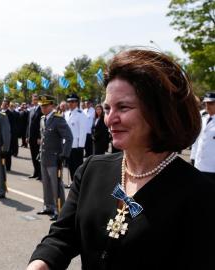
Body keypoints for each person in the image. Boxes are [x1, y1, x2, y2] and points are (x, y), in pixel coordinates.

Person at [27, 49, 215, 270]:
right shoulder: (91, 171)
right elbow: (62, 236)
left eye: (123, 107)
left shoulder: (199, 193)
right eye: (107, 108)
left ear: (159, 112)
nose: (110, 119)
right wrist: (41, 264)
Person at [37, 95, 73, 221]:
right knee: (46, 184)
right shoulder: (43, 119)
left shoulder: (58, 119)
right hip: (44, 157)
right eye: (41, 105)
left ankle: (60, 210)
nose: (43, 108)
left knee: (56, 185)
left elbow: (69, 137)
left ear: (52, 105)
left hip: (54, 158)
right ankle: (49, 207)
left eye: (45, 105)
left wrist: (64, 154)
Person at [190, 92, 215, 180]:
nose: (208, 106)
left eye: (211, 103)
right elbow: (197, 140)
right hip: (199, 165)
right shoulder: (202, 118)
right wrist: (193, 157)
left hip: (212, 168)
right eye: (206, 103)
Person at [64, 93, 88, 182]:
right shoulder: (66, 114)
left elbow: (83, 132)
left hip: (77, 146)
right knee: (70, 165)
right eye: (69, 102)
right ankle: (73, 182)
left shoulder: (81, 114)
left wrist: (81, 146)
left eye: (73, 102)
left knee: (77, 167)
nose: (70, 103)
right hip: (68, 144)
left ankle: (79, 185)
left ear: (77, 102)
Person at [27, 94, 43, 179]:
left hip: (37, 138)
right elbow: (28, 124)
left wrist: (40, 137)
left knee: (38, 156)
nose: (35, 101)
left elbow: (41, 125)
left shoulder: (41, 110)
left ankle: (40, 174)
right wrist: (27, 135)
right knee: (33, 156)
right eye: (33, 99)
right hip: (31, 137)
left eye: (36, 99)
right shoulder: (31, 110)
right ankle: (35, 172)